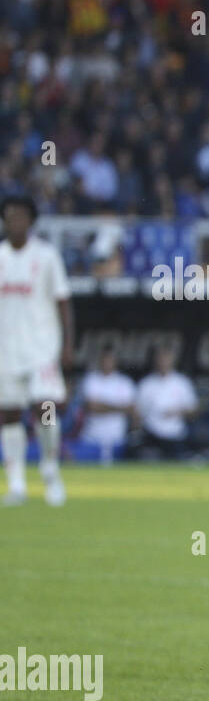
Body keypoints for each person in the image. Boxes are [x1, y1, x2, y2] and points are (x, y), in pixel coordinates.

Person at [0, 193, 73, 507]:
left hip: (42, 349)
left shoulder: (46, 256)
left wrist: (67, 344)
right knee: (9, 414)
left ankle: (50, 469)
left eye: (20, 216)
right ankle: (16, 483)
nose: (14, 221)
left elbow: (63, 301)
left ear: (30, 221)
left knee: (46, 408)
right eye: (9, 216)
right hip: (6, 350)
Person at [130, 344, 201, 458]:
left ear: (172, 360)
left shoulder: (182, 382)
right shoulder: (146, 383)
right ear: (155, 360)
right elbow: (136, 412)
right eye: (160, 358)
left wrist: (178, 411)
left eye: (166, 358)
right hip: (151, 434)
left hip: (176, 434)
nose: (163, 362)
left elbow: (194, 410)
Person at [79, 345, 135, 463]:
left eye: (110, 359)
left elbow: (132, 409)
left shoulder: (125, 382)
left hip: (117, 439)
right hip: (92, 438)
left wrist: (104, 405)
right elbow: (92, 407)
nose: (107, 362)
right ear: (100, 360)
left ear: (116, 361)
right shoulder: (91, 379)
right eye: (105, 358)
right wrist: (120, 407)